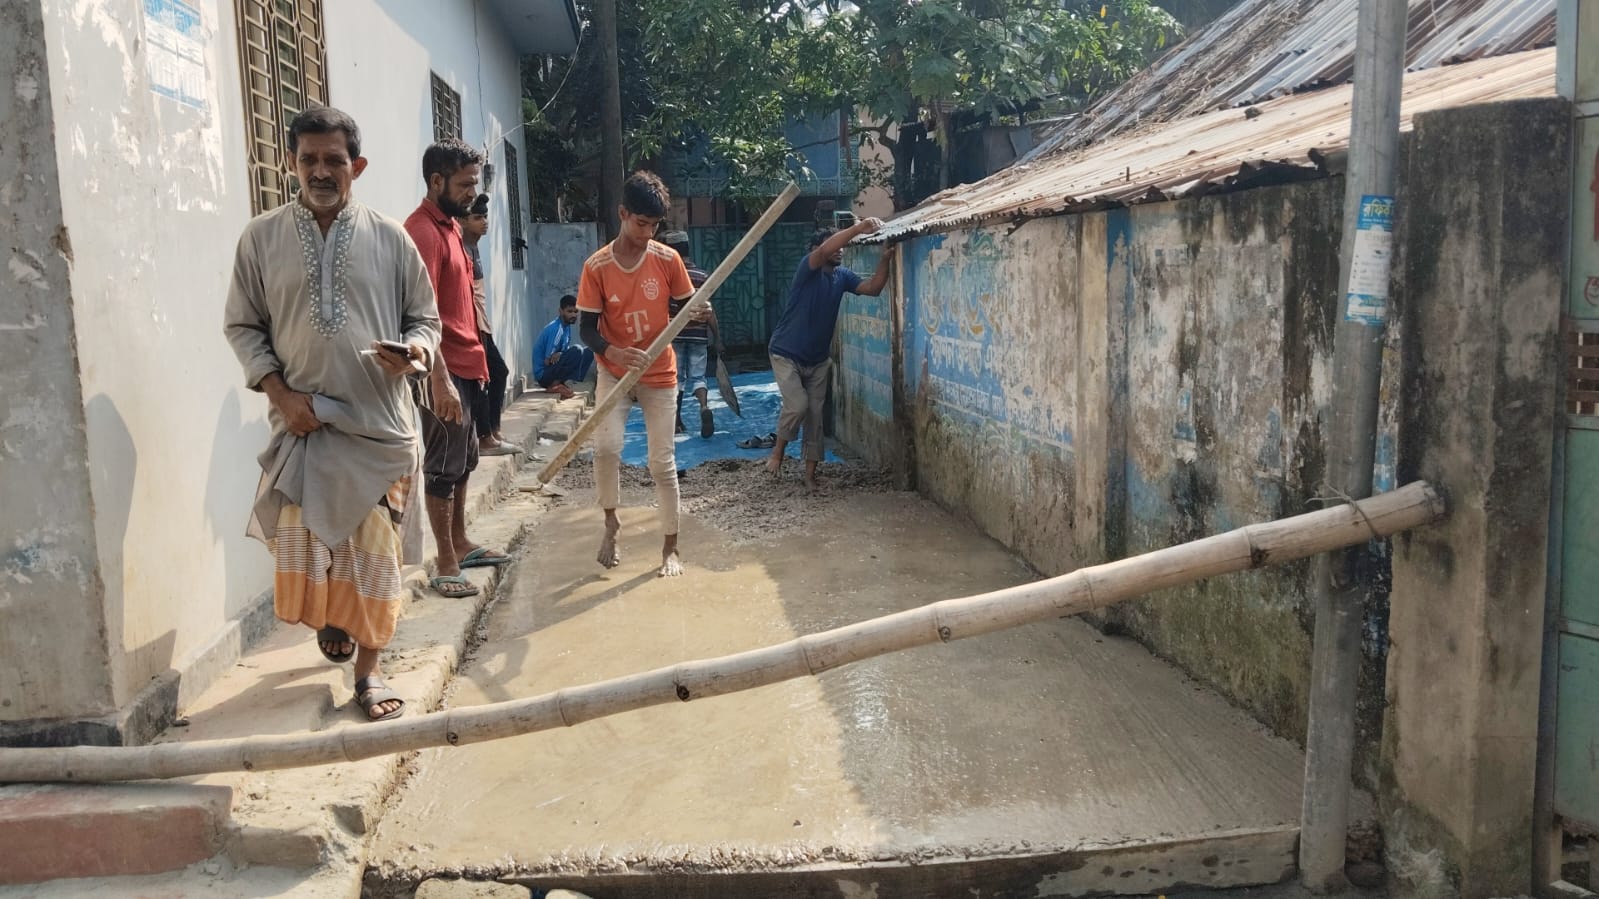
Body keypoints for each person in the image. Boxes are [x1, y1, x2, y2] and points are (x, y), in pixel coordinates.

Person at [224, 106, 439, 722]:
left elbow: (424, 316)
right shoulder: (259, 240)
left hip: (379, 431)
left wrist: (417, 351)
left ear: (357, 167)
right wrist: (280, 396)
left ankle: (368, 677)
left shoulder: (392, 239)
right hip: (305, 429)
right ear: (292, 162)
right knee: (313, 552)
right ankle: (333, 621)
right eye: (310, 159)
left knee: (374, 557)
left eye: (334, 161)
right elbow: (243, 326)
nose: (321, 171)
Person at [404, 139, 513, 599]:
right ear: (436, 181)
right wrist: (438, 376)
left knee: (465, 459)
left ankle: (462, 542)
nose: (473, 192)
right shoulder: (423, 231)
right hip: (441, 370)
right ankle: (445, 561)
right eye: (465, 183)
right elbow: (418, 310)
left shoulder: (450, 227)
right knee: (444, 466)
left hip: (467, 363)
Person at [577, 172, 696, 577]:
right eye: (640, 223)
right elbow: (587, 330)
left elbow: (685, 308)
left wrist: (699, 312)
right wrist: (614, 353)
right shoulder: (597, 267)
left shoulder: (667, 260)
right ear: (622, 213)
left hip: (659, 373)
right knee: (606, 448)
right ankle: (611, 521)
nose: (647, 233)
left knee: (661, 464)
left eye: (654, 226)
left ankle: (670, 548)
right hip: (614, 372)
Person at [767, 218, 892, 488]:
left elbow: (873, 289)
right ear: (815, 249)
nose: (840, 250)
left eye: (842, 246)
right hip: (786, 353)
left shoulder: (842, 276)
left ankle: (810, 476)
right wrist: (857, 229)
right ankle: (777, 453)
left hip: (817, 359)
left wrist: (886, 259)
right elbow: (824, 251)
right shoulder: (807, 269)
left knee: (815, 415)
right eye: (834, 245)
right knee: (797, 405)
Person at [457, 193, 519, 457]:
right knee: (486, 377)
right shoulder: (460, 248)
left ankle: (493, 430)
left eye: (485, 217)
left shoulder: (474, 246)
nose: (484, 222)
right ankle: (485, 437)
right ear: (461, 220)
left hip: (482, 323)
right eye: (477, 217)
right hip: (470, 325)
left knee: (498, 373)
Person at [660, 231, 718, 438]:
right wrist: (717, 339)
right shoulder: (702, 277)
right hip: (698, 335)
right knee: (699, 376)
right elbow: (710, 313)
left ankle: (676, 421)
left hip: (675, 335)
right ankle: (703, 406)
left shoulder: (667, 278)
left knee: (676, 378)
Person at [534, 294, 594, 399]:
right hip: (544, 375)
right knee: (577, 349)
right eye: (569, 311)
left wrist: (561, 354)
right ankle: (554, 385)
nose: (573, 315)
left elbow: (563, 352)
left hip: (552, 370)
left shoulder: (566, 327)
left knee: (590, 350)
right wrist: (558, 356)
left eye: (576, 312)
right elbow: (547, 361)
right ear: (561, 311)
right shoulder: (556, 329)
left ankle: (571, 381)